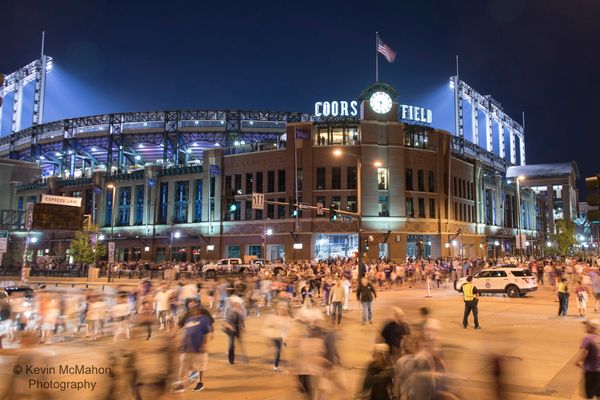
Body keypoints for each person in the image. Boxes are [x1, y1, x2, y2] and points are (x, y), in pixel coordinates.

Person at [172, 300, 212, 393]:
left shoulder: (204, 319)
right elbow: (180, 326)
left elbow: (208, 333)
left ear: (198, 308)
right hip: (186, 346)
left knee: (200, 366)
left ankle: (200, 382)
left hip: (199, 347)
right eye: (190, 307)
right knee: (183, 365)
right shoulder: (187, 317)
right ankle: (181, 383)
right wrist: (174, 334)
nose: (192, 309)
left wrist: (205, 344)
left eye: (194, 307)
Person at [575, 319, 600, 399]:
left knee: (589, 394)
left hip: (592, 371)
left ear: (592, 328)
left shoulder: (588, 339)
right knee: (598, 393)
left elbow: (583, 355)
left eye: (587, 326)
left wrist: (577, 361)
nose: (585, 327)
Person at [224, 298, 246, 364]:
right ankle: (231, 360)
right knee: (231, 345)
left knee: (240, 343)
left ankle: (244, 358)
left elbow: (242, 320)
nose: (238, 306)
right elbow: (226, 323)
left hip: (238, 329)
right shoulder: (228, 311)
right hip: (231, 331)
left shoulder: (240, 312)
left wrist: (243, 327)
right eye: (236, 305)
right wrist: (230, 327)